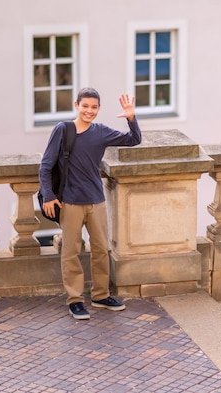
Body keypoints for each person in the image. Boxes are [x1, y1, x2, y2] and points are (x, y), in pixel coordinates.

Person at [39, 87, 142, 320]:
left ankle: (100, 295)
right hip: (70, 203)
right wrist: (48, 196)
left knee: (101, 250)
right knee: (71, 251)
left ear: (98, 109)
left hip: (96, 200)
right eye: (85, 106)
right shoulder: (62, 130)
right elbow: (45, 166)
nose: (89, 110)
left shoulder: (101, 132)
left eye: (94, 107)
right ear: (77, 105)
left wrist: (131, 117)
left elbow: (134, 140)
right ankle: (75, 300)